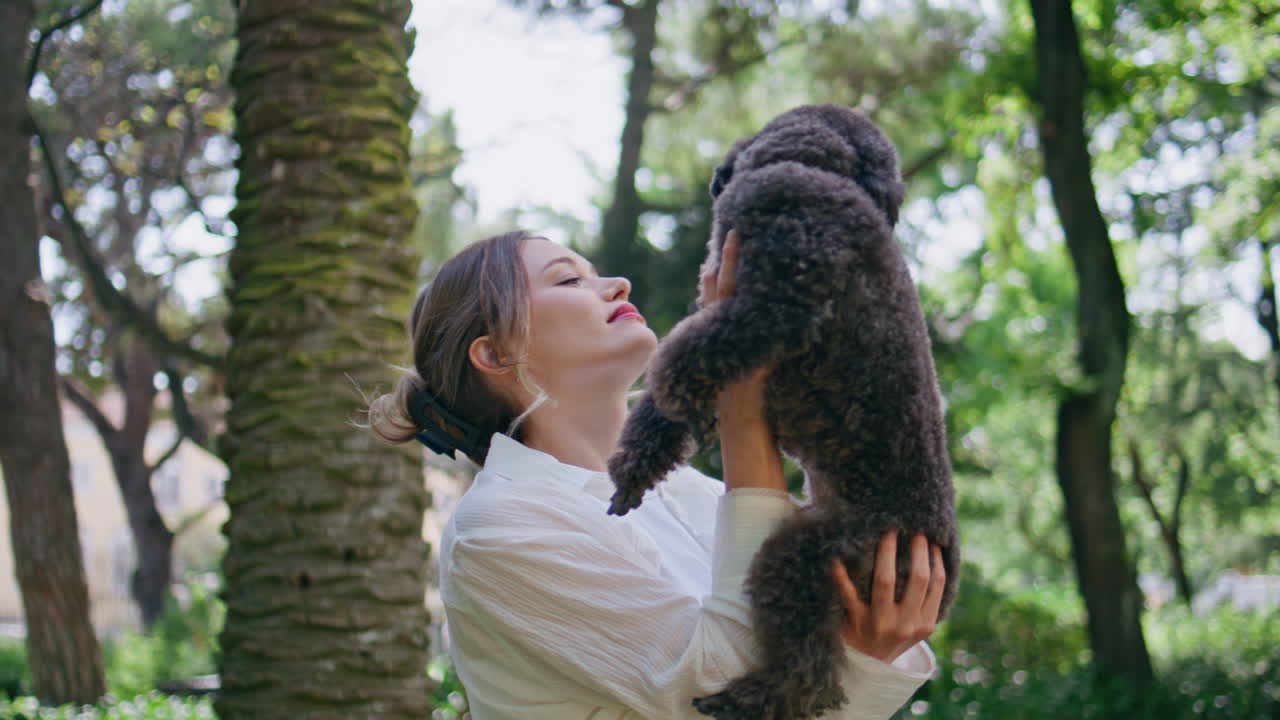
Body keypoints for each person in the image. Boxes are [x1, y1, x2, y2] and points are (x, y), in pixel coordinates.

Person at [368, 229, 945, 720]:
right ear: (494, 355)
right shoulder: (496, 533)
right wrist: (743, 410)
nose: (616, 285)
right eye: (569, 280)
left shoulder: (692, 494)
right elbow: (727, 686)